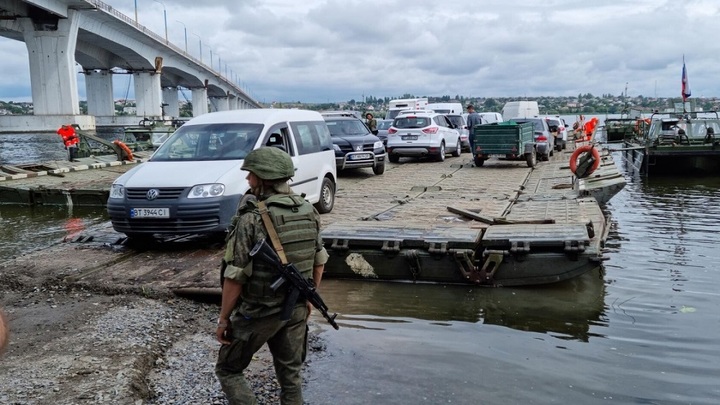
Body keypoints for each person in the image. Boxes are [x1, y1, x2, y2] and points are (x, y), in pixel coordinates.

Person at [215, 146, 329, 405]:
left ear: (263, 178)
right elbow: (319, 263)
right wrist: (309, 299)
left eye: (251, 174)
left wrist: (223, 319)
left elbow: (235, 276)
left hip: (259, 311)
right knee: (291, 375)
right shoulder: (308, 210)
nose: (247, 179)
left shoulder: (251, 219)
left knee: (228, 369)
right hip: (296, 308)